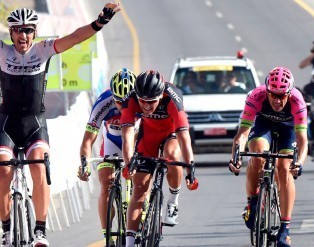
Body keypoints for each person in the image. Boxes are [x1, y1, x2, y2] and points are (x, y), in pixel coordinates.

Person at [0, 3, 120, 247]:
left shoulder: (44, 50)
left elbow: (75, 37)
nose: (23, 35)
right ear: (11, 33)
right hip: (6, 123)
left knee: (39, 168)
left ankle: (40, 230)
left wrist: (100, 22)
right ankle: (6, 229)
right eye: (17, 30)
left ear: (34, 32)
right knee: (3, 169)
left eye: (27, 30)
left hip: (34, 124)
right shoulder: (2, 52)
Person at [229, 67, 307, 247]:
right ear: (267, 90)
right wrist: (235, 156)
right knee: (257, 155)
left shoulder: (297, 101)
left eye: (282, 96)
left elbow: (303, 140)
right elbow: (241, 134)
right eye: (273, 95)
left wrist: (299, 163)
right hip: (264, 124)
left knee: (284, 168)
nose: (277, 100)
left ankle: (285, 229)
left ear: (289, 93)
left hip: (288, 128)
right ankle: (253, 202)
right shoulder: (256, 96)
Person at [120, 70, 199, 246]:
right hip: (148, 135)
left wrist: (190, 170)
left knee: (171, 154)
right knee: (139, 190)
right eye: (142, 102)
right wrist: (129, 164)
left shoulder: (172, 97)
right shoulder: (131, 99)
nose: (146, 106)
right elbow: (127, 137)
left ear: (160, 96)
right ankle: (130, 243)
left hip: (171, 133)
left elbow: (184, 140)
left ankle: (173, 201)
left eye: (151, 102)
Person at [77, 68, 135, 246]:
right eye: (119, 102)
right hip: (112, 144)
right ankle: (108, 236)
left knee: (140, 181)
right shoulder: (103, 103)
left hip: (135, 142)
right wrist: (84, 165)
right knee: (106, 184)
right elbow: (88, 140)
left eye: (126, 102)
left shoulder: (140, 102)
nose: (122, 106)